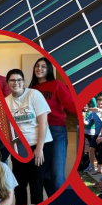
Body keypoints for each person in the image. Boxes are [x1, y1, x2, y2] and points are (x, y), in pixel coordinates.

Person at [29, 57, 76, 194]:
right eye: (37, 66)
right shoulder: (32, 89)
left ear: (49, 69)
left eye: (44, 66)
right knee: (43, 175)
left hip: (56, 131)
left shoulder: (57, 85)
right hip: (38, 134)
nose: (39, 69)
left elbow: (71, 105)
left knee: (56, 174)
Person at [5, 69, 52, 205]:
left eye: (19, 80)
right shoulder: (6, 102)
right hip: (19, 146)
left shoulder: (34, 94)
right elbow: (9, 130)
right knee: (19, 184)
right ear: (7, 83)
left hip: (40, 144)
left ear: (23, 81)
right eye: (12, 80)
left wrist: (39, 148)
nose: (16, 83)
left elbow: (43, 123)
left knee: (36, 184)